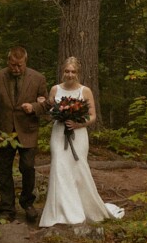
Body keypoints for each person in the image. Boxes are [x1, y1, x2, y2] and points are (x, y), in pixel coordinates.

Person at [39, 56, 124, 227]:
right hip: (58, 134)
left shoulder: (85, 91)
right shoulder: (55, 89)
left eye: (73, 72)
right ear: (63, 72)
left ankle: (81, 208)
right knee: (59, 168)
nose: (69, 74)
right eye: (67, 71)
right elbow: (50, 112)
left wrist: (78, 124)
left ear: (77, 73)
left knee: (78, 169)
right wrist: (50, 109)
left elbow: (92, 116)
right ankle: (60, 212)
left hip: (78, 135)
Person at [0, 46, 49, 222]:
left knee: (28, 167)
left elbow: (47, 105)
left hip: (28, 131)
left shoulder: (38, 79)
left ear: (25, 62)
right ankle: (7, 209)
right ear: (8, 61)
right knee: (4, 171)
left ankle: (27, 203)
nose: (16, 69)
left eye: (19, 66)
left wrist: (34, 107)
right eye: (12, 65)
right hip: (3, 132)